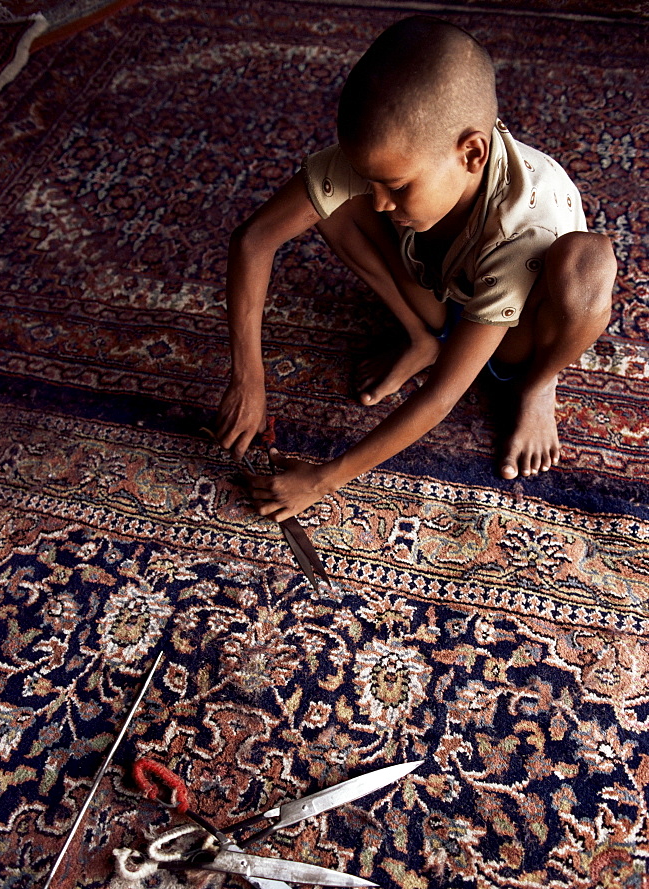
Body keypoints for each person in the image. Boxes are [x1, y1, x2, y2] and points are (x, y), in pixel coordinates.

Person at [215, 16, 616, 522]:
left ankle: (539, 384)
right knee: (328, 202)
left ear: (471, 153)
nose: (381, 203)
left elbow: (442, 396)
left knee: (588, 264)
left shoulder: (523, 228)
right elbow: (253, 240)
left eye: (398, 187)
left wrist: (321, 480)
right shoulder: (389, 155)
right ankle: (422, 338)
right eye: (372, 181)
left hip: (518, 329)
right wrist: (248, 378)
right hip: (442, 287)